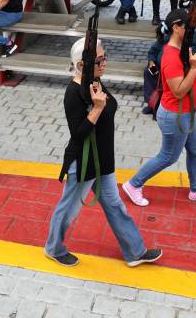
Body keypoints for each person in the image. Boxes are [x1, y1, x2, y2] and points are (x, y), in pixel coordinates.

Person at [44, 37, 163, 268]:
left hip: (103, 159)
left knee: (115, 206)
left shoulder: (94, 82)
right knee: (68, 209)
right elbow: (79, 134)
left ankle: (135, 252)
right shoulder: (73, 92)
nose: (104, 63)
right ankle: (54, 248)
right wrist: (97, 108)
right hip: (84, 162)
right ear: (82, 65)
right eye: (99, 60)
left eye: (104, 57)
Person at [122, 9, 196, 207]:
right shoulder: (170, 56)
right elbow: (178, 91)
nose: (192, 31)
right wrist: (195, 68)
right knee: (168, 157)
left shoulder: (184, 48)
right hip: (175, 115)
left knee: (195, 149)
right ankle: (133, 184)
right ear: (176, 28)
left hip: (187, 112)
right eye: (188, 27)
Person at [142, 24, 196, 123]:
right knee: (149, 71)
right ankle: (152, 103)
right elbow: (153, 51)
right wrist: (151, 62)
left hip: (193, 65)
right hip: (168, 64)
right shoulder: (172, 34)